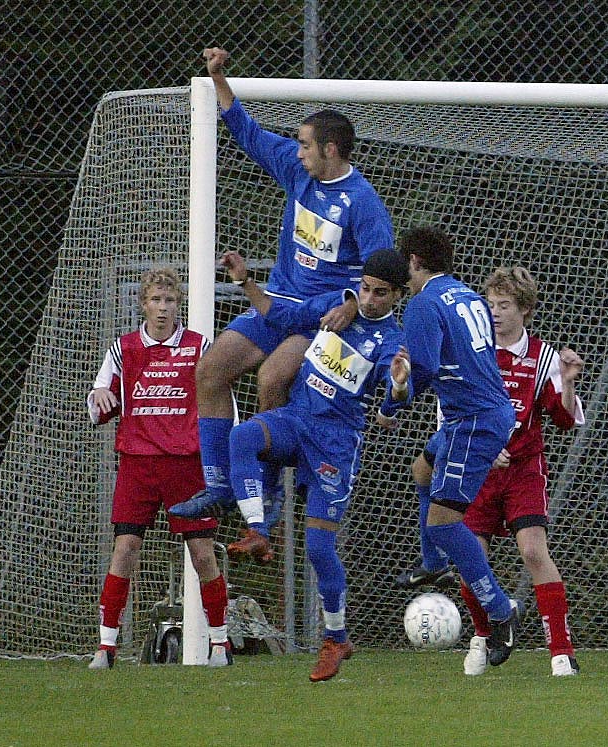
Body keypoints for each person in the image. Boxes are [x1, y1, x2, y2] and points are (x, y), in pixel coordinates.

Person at [187, 47, 395, 561]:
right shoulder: (298, 172)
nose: (297, 151)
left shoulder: (363, 203)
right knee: (210, 371)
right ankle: (219, 484)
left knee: (272, 380)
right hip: (272, 304)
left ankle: (271, 499)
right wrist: (219, 78)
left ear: (330, 150)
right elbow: (248, 132)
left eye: (305, 144)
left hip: (315, 316)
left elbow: (383, 267)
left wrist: (349, 300)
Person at [192, 247, 411, 681]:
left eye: (379, 293)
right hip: (297, 419)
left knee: (318, 549)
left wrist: (400, 387)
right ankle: (257, 528)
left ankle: (336, 638)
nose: (368, 299)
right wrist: (244, 283)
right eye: (365, 288)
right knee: (243, 435)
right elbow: (283, 314)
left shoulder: (390, 341)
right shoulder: (337, 307)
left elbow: (394, 393)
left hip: (334, 443)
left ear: (397, 297)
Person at [396, 267, 585, 676]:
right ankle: (485, 636)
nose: (495, 312)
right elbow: (450, 408)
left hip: (522, 471)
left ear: (526, 311)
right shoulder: (471, 347)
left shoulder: (543, 357)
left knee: (533, 550)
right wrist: (482, 445)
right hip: (477, 465)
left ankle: (561, 650)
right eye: (492, 304)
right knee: (470, 555)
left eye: (505, 305)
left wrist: (568, 383)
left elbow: (565, 421)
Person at [389, 226, 522, 668]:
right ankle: (433, 563)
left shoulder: (424, 303)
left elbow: (423, 370)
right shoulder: (466, 295)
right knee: (421, 471)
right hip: (482, 410)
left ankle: (502, 611)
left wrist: (395, 399)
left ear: (413, 262)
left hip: (472, 421)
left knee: (445, 522)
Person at [85, 266, 231, 669]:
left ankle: (220, 643)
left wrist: (221, 454)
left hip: (186, 465)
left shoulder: (200, 348)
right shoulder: (123, 349)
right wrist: (99, 397)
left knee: (202, 554)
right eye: (155, 300)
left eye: (169, 300)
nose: (162, 308)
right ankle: (107, 646)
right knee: (125, 550)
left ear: (178, 303)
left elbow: (221, 401)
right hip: (137, 463)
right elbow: (99, 399)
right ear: (142, 305)